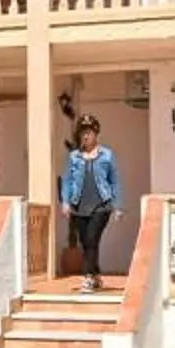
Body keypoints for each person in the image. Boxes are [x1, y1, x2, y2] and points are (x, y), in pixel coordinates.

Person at [60, 114, 120, 292]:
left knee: (92, 238)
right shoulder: (74, 157)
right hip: (79, 206)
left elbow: (114, 180)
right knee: (86, 242)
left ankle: (87, 277)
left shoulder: (107, 155)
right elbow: (67, 181)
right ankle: (96, 274)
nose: (86, 136)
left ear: (96, 134)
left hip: (101, 205)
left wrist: (117, 205)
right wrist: (65, 202)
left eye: (89, 133)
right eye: (83, 133)